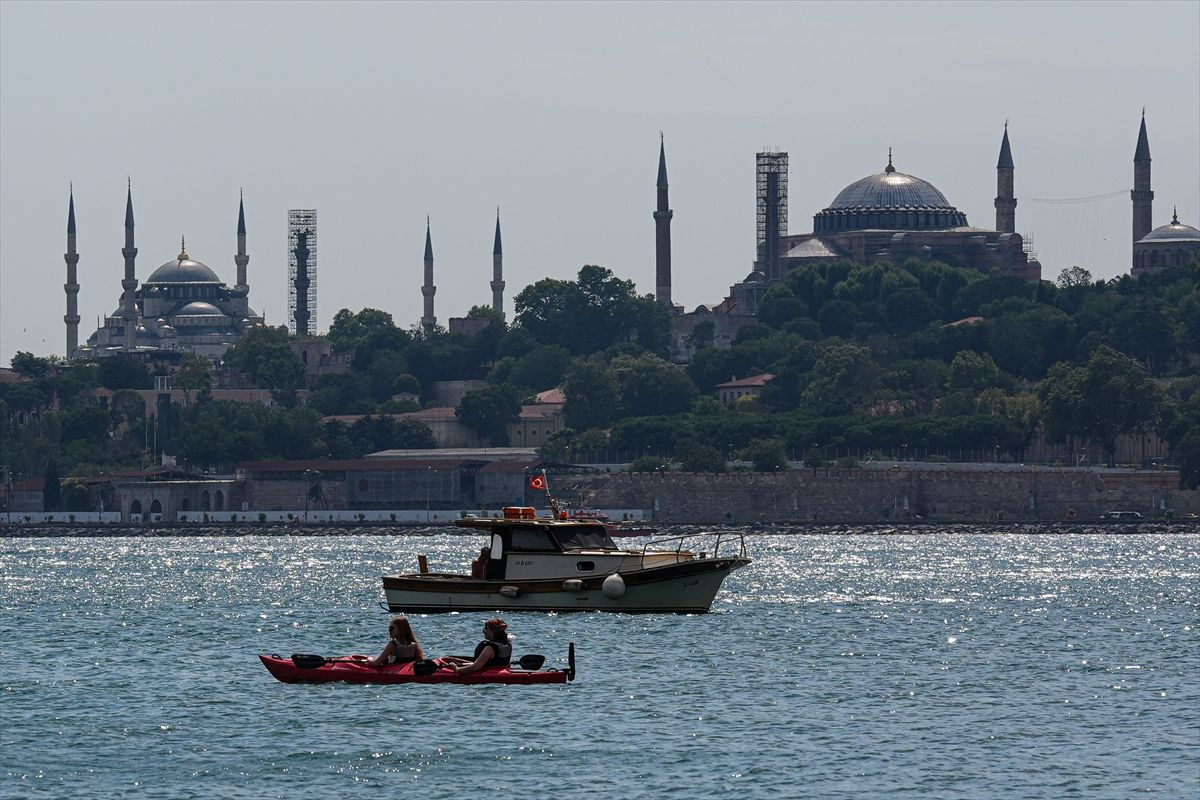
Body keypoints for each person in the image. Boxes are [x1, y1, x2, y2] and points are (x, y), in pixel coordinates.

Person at [443, 618, 512, 675]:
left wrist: (457, 669)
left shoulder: (489, 648)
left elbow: (475, 667)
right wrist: (460, 664)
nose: (484, 631)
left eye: (486, 629)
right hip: (500, 671)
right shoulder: (508, 644)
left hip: (489, 674)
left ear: (492, 631)